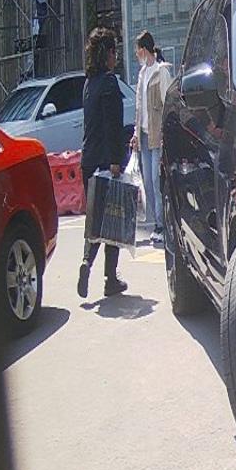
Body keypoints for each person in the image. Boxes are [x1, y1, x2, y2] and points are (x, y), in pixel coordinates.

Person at [78, 27, 128, 299]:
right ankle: (110, 279)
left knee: (94, 218)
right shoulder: (109, 83)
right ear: (108, 53)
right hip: (106, 161)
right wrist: (116, 161)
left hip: (88, 160)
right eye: (114, 52)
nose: (115, 58)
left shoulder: (89, 83)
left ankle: (87, 262)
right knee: (112, 220)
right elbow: (113, 126)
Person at [129, 31, 172, 247]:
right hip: (144, 135)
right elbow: (139, 107)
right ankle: (157, 223)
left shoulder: (160, 72)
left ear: (145, 50)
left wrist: (165, 133)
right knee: (147, 180)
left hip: (158, 135)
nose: (137, 55)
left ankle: (162, 224)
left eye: (138, 51)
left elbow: (167, 104)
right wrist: (136, 134)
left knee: (156, 179)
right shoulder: (142, 74)